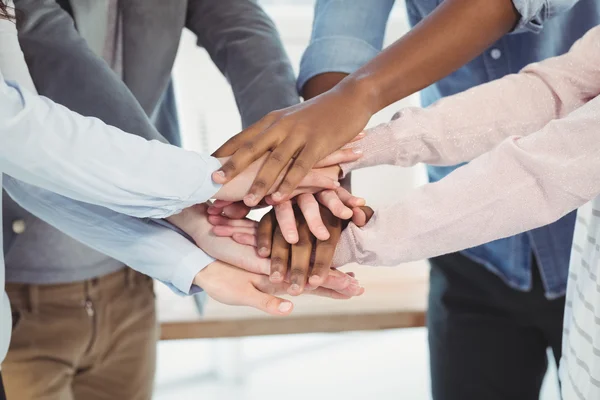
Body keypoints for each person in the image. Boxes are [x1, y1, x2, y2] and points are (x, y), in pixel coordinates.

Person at [208, 1, 600, 398]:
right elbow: (556, 88)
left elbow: (548, 169)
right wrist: (331, 159)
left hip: (577, 251)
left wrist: (356, 240)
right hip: (475, 259)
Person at [0, 5, 363, 399]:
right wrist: (207, 191)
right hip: (24, 283)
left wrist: (285, 162)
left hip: (131, 275)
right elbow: (29, 124)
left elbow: (243, 31)